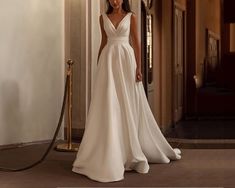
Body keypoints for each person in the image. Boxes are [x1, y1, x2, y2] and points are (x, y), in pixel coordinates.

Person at [72, 0, 181, 183]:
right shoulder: (102, 18)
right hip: (108, 62)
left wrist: (139, 68)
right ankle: (110, 150)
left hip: (125, 60)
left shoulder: (132, 17)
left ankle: (129, 149)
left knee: (126, 102)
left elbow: (137, 43)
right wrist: (99, 65)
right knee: (109, 104)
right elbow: (104, 42)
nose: (114, 2)